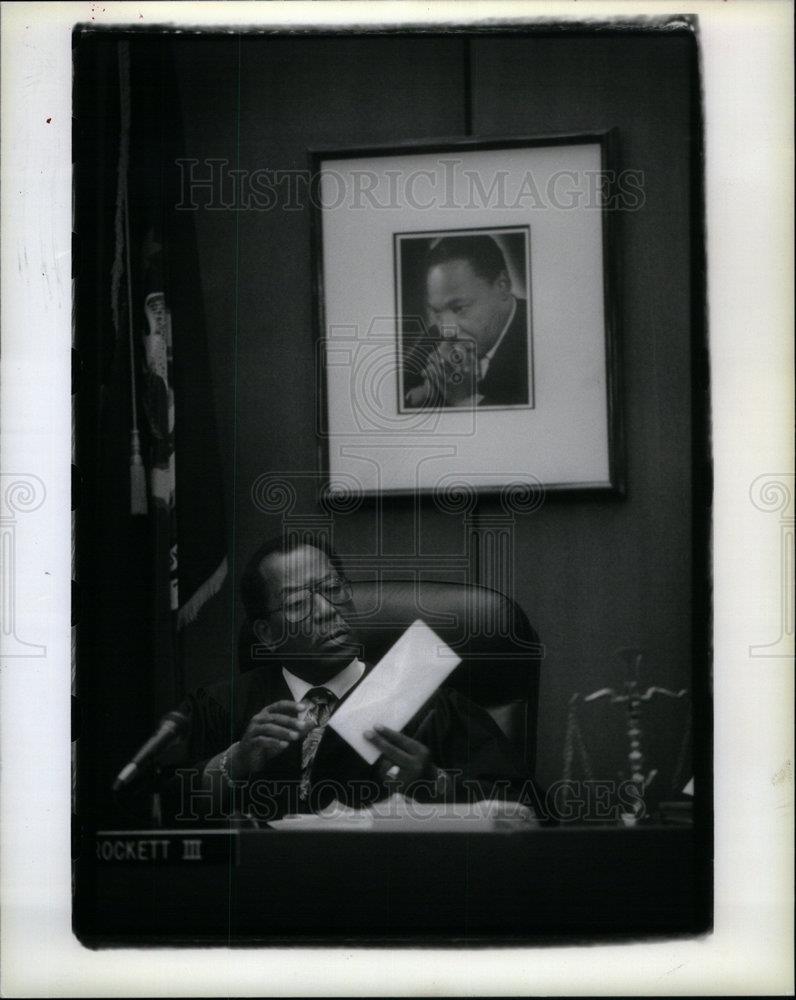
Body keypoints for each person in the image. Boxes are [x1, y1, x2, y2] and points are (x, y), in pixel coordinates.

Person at [171, 535, 539, 823]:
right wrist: (234, 764)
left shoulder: (428, 703)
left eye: (333, 589)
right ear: (267, 633)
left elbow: (527, 810)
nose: (327, 611)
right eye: (298, 603)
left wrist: (434, 784)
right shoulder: (223, 706)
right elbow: (157, 810)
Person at [403, 234, 530, 409]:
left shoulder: (540, 338)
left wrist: (465, 400)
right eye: (437, 312)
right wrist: (425, 391)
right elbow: (398, 395)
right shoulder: (433, 338)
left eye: (459, 308)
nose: (447, 331)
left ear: (503, 285)